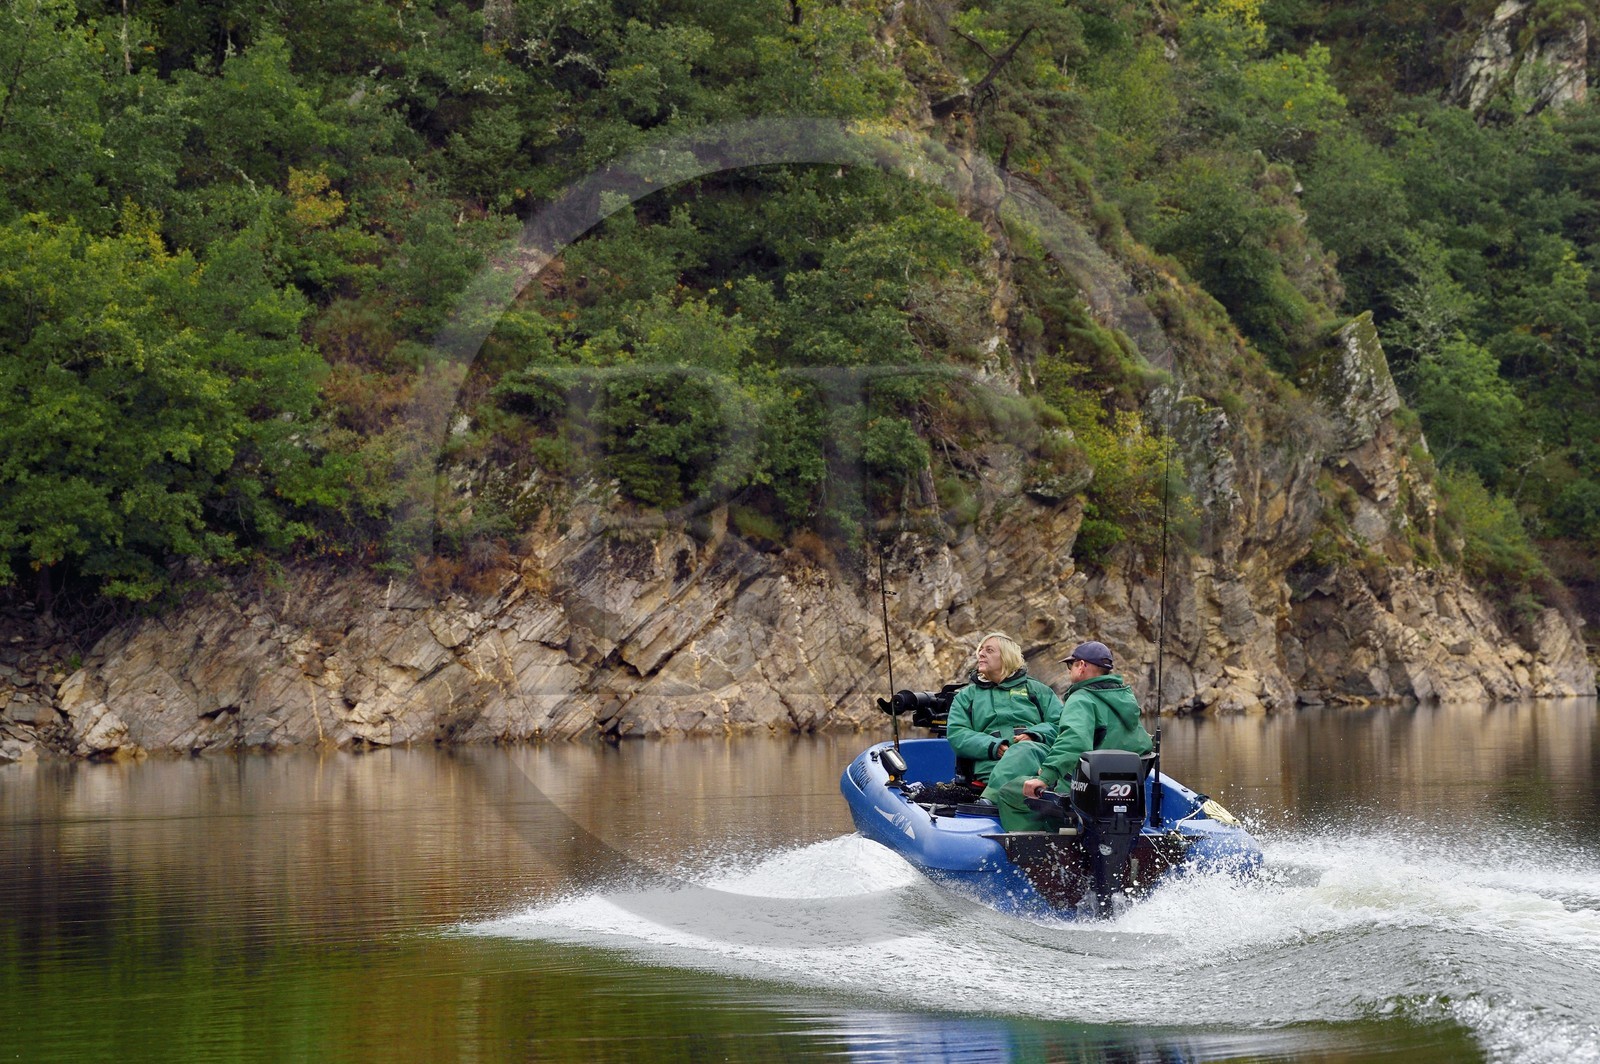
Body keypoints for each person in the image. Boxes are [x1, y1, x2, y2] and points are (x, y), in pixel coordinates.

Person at [982, 640, 1154, 832]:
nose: (1069, 670)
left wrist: (1045, 777)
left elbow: (1074, 742)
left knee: (1011, 792)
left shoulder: (1082, 698)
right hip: (1115, 792)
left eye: (1070, 665)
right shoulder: (1124, 700)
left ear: (1081, 666)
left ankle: (1044, 853)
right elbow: (1142, 745)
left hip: (1081, 795)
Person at [942, 632, 1064, 787]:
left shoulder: (1038, 691)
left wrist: (1035, 735)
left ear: (1007, 656)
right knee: (1021, 788)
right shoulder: (966, 696)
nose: (981, 654)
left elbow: (1061, 724)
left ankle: (989, 800)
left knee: (1026, 753)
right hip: (992, 765)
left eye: (989, 650)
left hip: (1036, 761)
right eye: (980, 650)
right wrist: (992, 746)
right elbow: (957, 734)